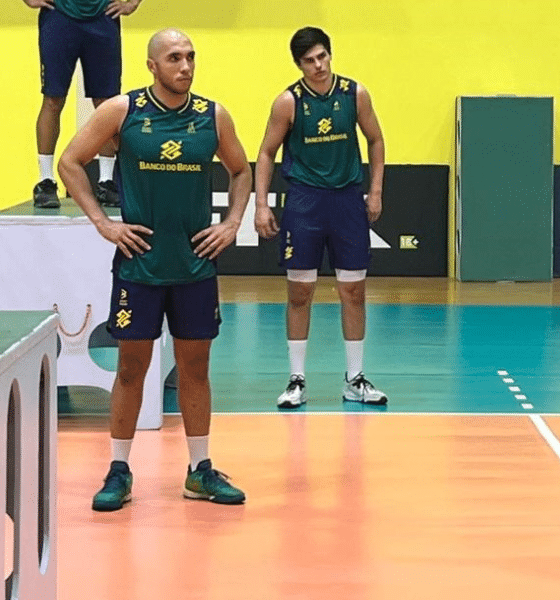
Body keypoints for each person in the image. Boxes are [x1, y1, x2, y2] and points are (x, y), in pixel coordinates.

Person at [58, 28, 252, 511]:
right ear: (152, 65)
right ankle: (119, 470)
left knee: (195, 369)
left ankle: (200, 471)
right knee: (131, 369)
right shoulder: (123, 111)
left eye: (190, 57)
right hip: (138, 267)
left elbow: (242, 170)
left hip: (194, 266)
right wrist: (103, 222)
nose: (184, 66)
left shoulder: (213, 115)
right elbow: (70, 162)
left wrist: (231, 223)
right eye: (173, 58)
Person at [253, 26, 388, 409]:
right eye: (310, 60)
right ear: (299, 65)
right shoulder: (288, 102)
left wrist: (375, 190)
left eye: (323, 56)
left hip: (347, 201)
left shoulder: (354, 94)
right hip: (305, 202)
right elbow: (266, 153)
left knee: (354, 291)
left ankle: (355, 379)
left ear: (330, 55)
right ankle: (297, 380)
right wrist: (262, 205)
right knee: (300, 292)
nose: (319, 66)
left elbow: (376, 139)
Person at [25, 0, 142, 208]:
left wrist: (132, 3)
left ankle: (106, 182)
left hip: (103, 16)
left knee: (107, 103)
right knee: (53, 99)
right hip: (59, 16)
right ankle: (46, 181)